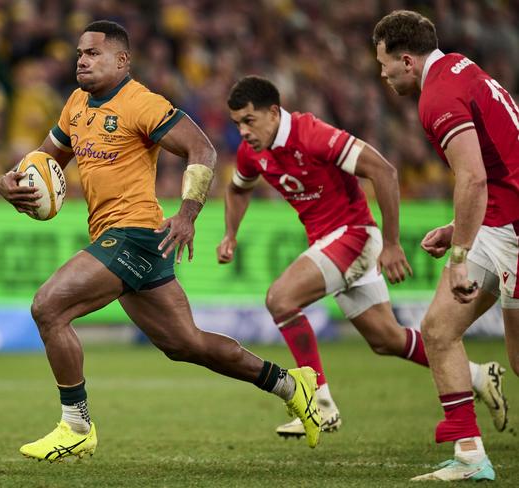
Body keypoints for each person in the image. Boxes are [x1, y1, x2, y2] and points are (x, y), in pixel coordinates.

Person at [0, 21, 321, 462]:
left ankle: (76, 425)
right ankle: (291, 384)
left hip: (133, 235)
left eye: (93, 53)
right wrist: (7, 183)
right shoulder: (75, 105)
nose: (82, 61)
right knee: (187, 344)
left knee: (48, 307)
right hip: (127, 240)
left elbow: (202, 149)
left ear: (122, 60)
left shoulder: (141, 104)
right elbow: (44, 159)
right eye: (79, 54)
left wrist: (187, 213)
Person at [218, 75, 507, 440]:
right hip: (331, 243)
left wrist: (391, 243)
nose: (243, 131)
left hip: (354, 235)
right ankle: (480, 376)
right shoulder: (252, 151)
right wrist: (230, 233)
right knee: (387, 339)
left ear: (274, 113)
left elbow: (383, 170)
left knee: (280, 299)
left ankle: (319, 404)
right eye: (236, 124)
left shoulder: (313, 134)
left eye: (249, 120)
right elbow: (237, 189)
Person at [373, 10, 519, 482]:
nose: (382, 73)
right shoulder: (460, 66)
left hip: (514, 231)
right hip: (499, 221)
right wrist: (457, 227)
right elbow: (499, 166)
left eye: (385, 64)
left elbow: (474, 176)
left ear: (408, 61)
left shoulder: (437, 97)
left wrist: (458, 256)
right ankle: (471, 455)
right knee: (437, 330)